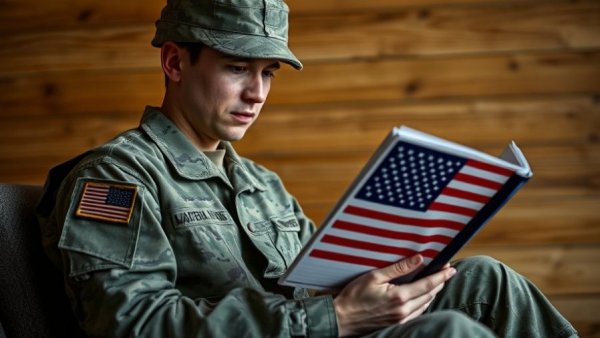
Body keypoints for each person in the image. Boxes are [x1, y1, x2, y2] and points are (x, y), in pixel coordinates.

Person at [36, 0, 578, 337]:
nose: (257, 93)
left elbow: (316, 289)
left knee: (485, 280)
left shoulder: (262, 185)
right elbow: (134, 325)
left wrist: (388, 281)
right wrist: (333, 319)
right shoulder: (115, 178)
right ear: (175, 63)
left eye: (268, 72)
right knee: (452, 333)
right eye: (236, 68)